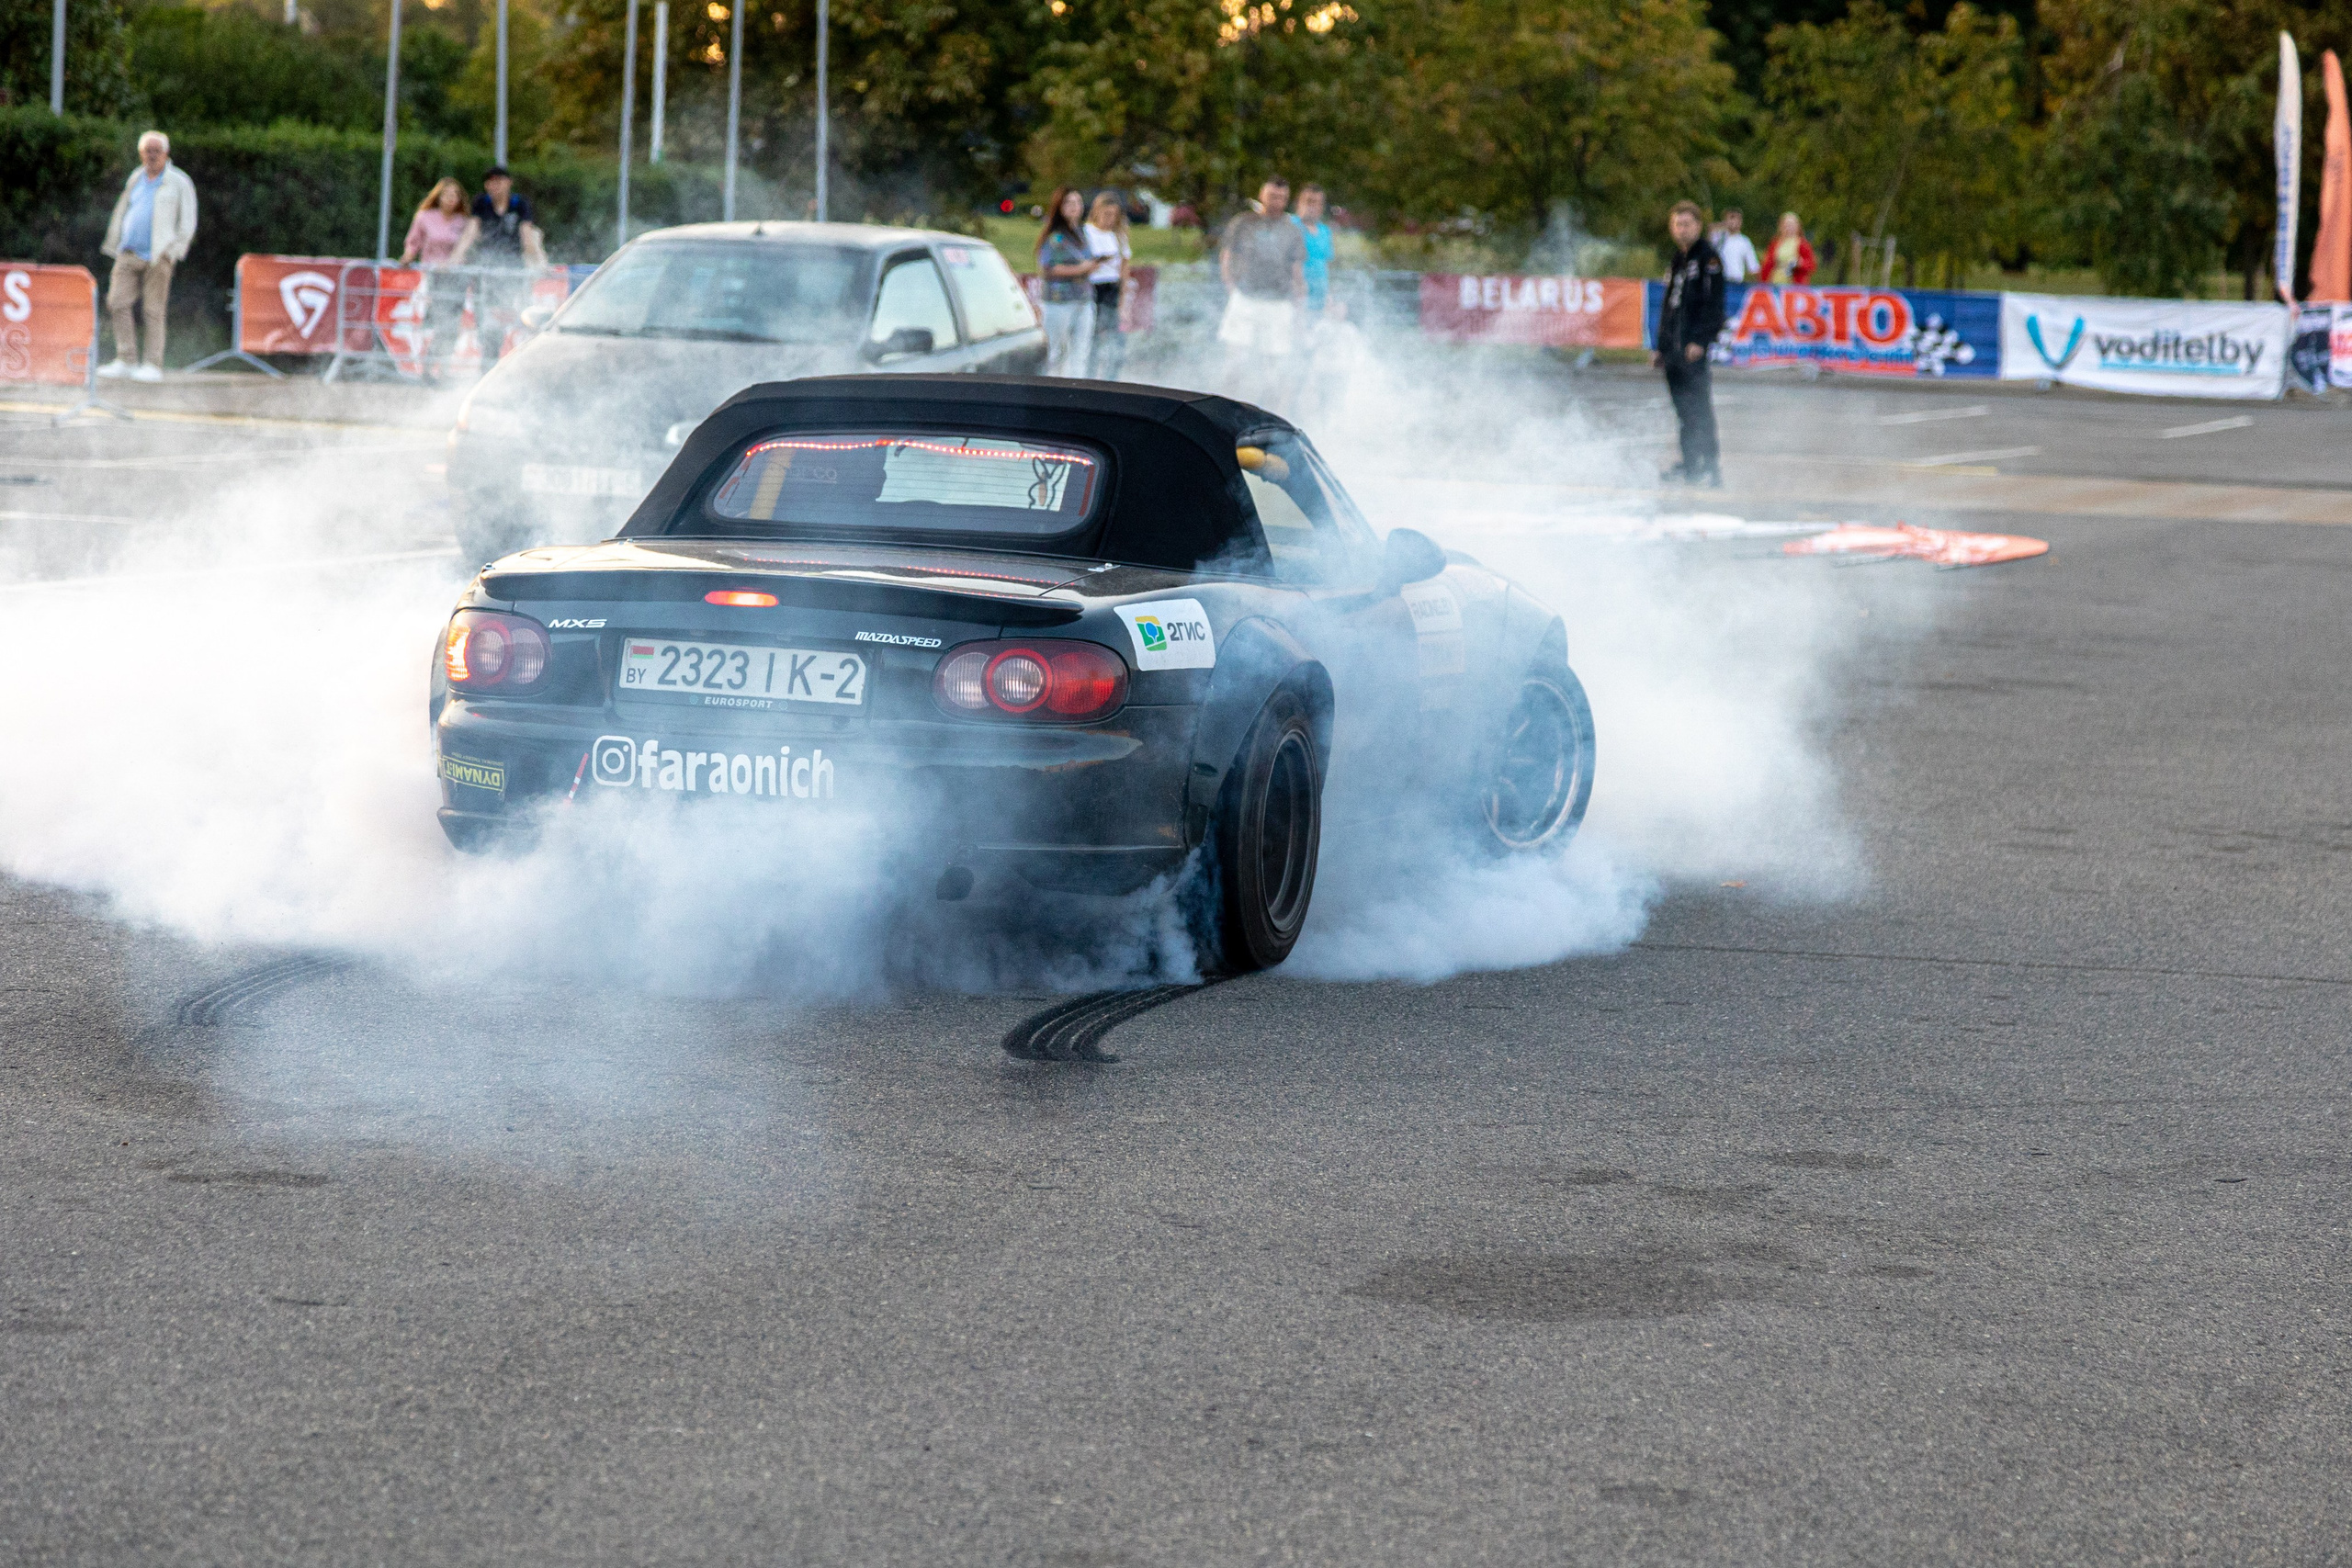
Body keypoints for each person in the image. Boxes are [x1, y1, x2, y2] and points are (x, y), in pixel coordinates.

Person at [97, 131, 198, 382]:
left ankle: (153, 364)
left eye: (157, 151)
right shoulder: (136, 177)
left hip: (158, 254)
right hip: (129, 251)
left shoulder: (179, 181)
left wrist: (173, 252)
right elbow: (125, 210)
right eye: (147, 151)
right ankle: (126, 359)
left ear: (166, 154)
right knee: (117, 302)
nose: (152, 155)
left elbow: (188, 221)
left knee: (153, 309)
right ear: (141, 153)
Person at [1655, 199, 1725, 488]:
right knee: (1683, 410)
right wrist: (1660, 346)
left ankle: (1710, 467)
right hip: (1673, 347)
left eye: (1687, 224)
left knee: (1699, 408)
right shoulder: (1677, 259)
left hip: (1693, 349)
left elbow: (1714, 306)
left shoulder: (1708, 258)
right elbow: (1670, 305)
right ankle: (1690, 464)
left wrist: (1701, 340)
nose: (1681, 230)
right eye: (1677, 224)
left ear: (1698, 226)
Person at [1217, 176, 1306, 406]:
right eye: (1273, 196)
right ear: (1262, 195)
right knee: (1235, 363)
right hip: (1245, 298)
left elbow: (1296, 269)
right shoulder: (1243, 222)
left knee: (1275, 370)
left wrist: (1299, 304)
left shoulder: (1292, 230)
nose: (1277, 201)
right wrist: (1231, 288)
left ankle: (1271, 417)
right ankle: (1226, 410)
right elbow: (1227, 256)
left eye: (1282, 197)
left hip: (1279, 303)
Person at [454, 165, 547, 369]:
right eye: (490, 182)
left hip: (512, 270)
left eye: (499, 181)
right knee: (486, 320)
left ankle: (518, 366)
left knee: (514, 317)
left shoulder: (519, 204)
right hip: (485, 270)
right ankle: (488, 365)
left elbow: (527, 236)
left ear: (508, 183)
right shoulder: (482, 203)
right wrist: (456, 257)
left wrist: (539, 263)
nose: (494, 186)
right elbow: (471, 232)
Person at [401, 176, 471, 383]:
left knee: (452, 324)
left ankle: (443, 367)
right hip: (435, 278)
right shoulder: (425, 217)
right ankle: (431, 367)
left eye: (455, 196)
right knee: (442, 323)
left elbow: (467, 248)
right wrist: (408, 256)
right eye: (448, 195)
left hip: (456, 278)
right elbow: (414, 242)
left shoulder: (463, 222)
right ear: (438, 197)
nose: (451, 199)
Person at [1035, 186, 1095, 378]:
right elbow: (1048, 267)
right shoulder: (1055, 236)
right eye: (1069, 203)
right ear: (1059, 206)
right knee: (1056, 353)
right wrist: (1082, 269)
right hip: (1058, 302)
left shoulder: (1083, 233)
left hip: (1084, 299)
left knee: (1081, 352)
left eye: (1078, 202)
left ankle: (1077, 391)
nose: (1074, 207)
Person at [1082, 189, 1132, 380]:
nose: (1110, 219)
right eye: (1106, 214)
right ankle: (1089, 376)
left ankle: (1111, 378)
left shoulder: (1118, 236)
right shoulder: (1086, 233)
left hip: (1111, 287)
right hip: (1092, 287)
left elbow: (1124, 269)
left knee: (1115, 337)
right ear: (1097, 211)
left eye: (1114, 215)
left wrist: (1123, 300)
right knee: (1092, 338)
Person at [1292, 183, 1336, 314]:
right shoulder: (1290, 225)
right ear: (1299, 202)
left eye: (1317, 203)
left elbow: (1326, 266)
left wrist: (1329, 297)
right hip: (1296, 297)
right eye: (1309, 201)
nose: (1312, 207)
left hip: (1319, 299)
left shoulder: (1325, 231)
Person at [1765, 212, 1815, 285]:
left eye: (1792, 225)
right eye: (1786, 225)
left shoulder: (1803, 244)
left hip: (1795, 283)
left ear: (1798, 226)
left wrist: (1800, 264)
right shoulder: (1776, 243)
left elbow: (1811, 264)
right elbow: (1768, 263)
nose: (1789, 228)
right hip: (1775, 281)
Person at [1713, 208, 1759, 285]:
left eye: (1738, 219)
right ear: (1725, 220)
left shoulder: (1744, 242)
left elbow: (1753, 267)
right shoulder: (1718, 239)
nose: (1734, 222)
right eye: (1731, 218)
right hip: (1718, 282)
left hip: (1736, 282)